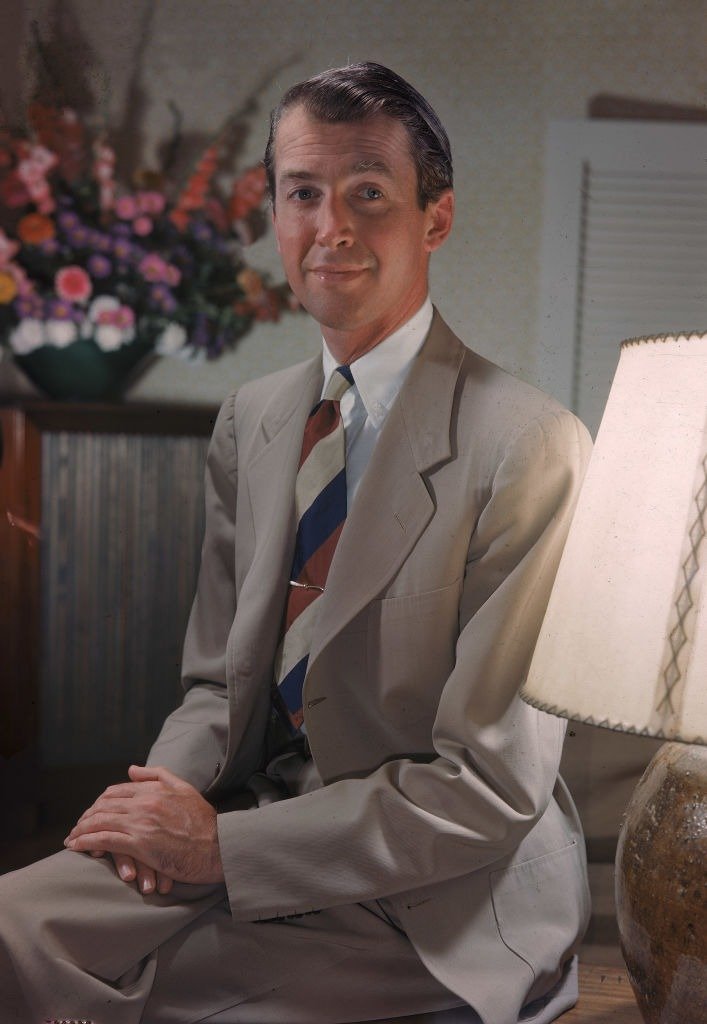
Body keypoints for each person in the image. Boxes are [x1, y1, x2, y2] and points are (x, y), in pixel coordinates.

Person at [0, 62, 592, 1024]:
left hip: (432, 889)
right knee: (11, 933)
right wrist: (155, 811)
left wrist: (219, 852)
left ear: (434, 218)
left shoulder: (528, 446)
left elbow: (487, 789)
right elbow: (213, 686)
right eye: (302, 194)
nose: (331, 229)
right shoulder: (256, 417)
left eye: (369, 193)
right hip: (244, 820)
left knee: (154, 1001)